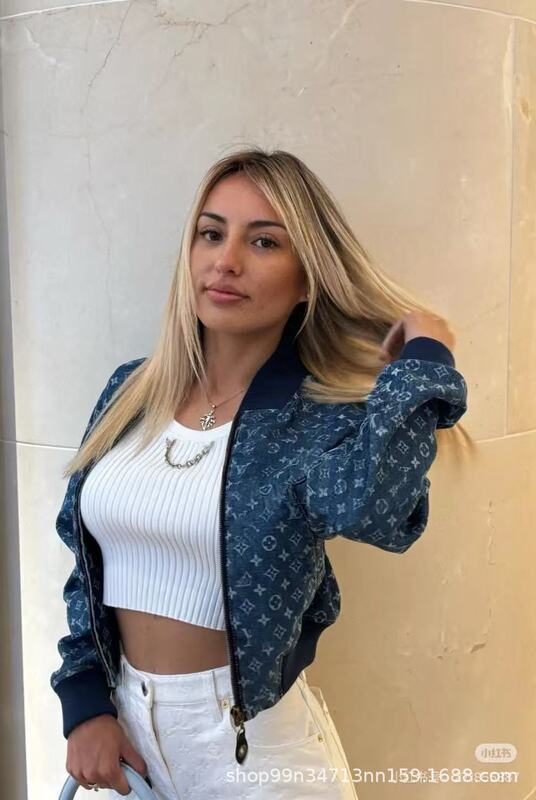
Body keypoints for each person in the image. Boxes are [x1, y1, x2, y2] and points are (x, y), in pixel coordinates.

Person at [51, 147, 471, 799]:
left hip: (254, 751)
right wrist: (85, 704)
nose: (226, 261)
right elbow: (86, 563)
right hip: (125, 735)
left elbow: (378, 511)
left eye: (264, 241)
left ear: (307, 278)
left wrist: (425, 358)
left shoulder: (315, 420)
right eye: (211, 233)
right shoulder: (130, 393)